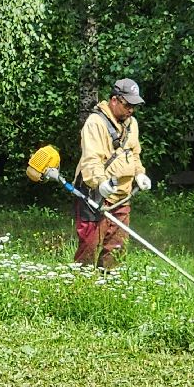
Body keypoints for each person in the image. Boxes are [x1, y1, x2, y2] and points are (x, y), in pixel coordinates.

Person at [73, 78, 151, 269]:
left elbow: (134, 153)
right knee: (89, 247)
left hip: (122, 196)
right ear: (115, 100)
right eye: (128, 105)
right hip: (95, 194)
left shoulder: (132, 124)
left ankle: (108, 286)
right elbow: (91, 160)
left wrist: (140, 173)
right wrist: (100, 183)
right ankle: (79, 286)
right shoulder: (95, 123)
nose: (131, 110)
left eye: (134, 106)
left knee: (117, 247)